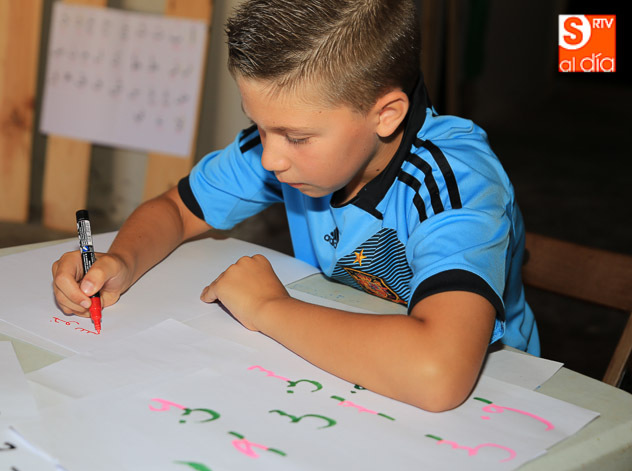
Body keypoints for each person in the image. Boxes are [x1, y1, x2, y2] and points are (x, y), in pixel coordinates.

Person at [51, 0, 539, 412]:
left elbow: (438, 373)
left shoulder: (455, 182)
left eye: (297, 137)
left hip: (499, 397)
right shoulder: (290, 146)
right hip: (337, 372)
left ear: (387, 115)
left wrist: (269, 307)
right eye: (259, 126)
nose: (269, 158)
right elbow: (177, 209)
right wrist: (122, 259)